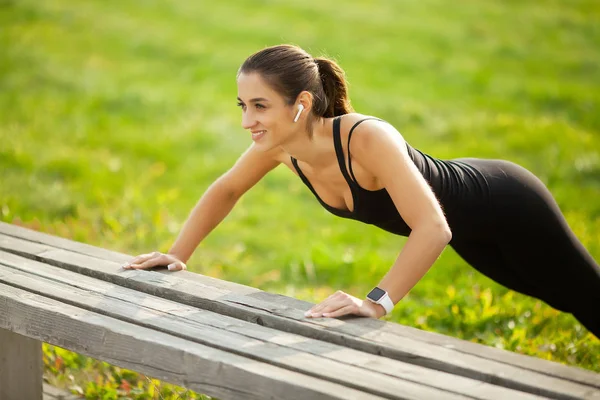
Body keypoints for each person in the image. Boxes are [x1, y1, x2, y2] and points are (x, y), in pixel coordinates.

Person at [122, 44, 600, 338]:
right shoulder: (280, 146)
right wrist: (177, 254)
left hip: (510, 204)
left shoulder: (365, 137)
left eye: (260, 106)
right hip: (470, 232)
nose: (247, 121)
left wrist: (375, 302)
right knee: (559, 299)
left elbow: (432, 227)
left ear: (300, 104)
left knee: (587, 296)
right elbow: (226, 189)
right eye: (243, 105)